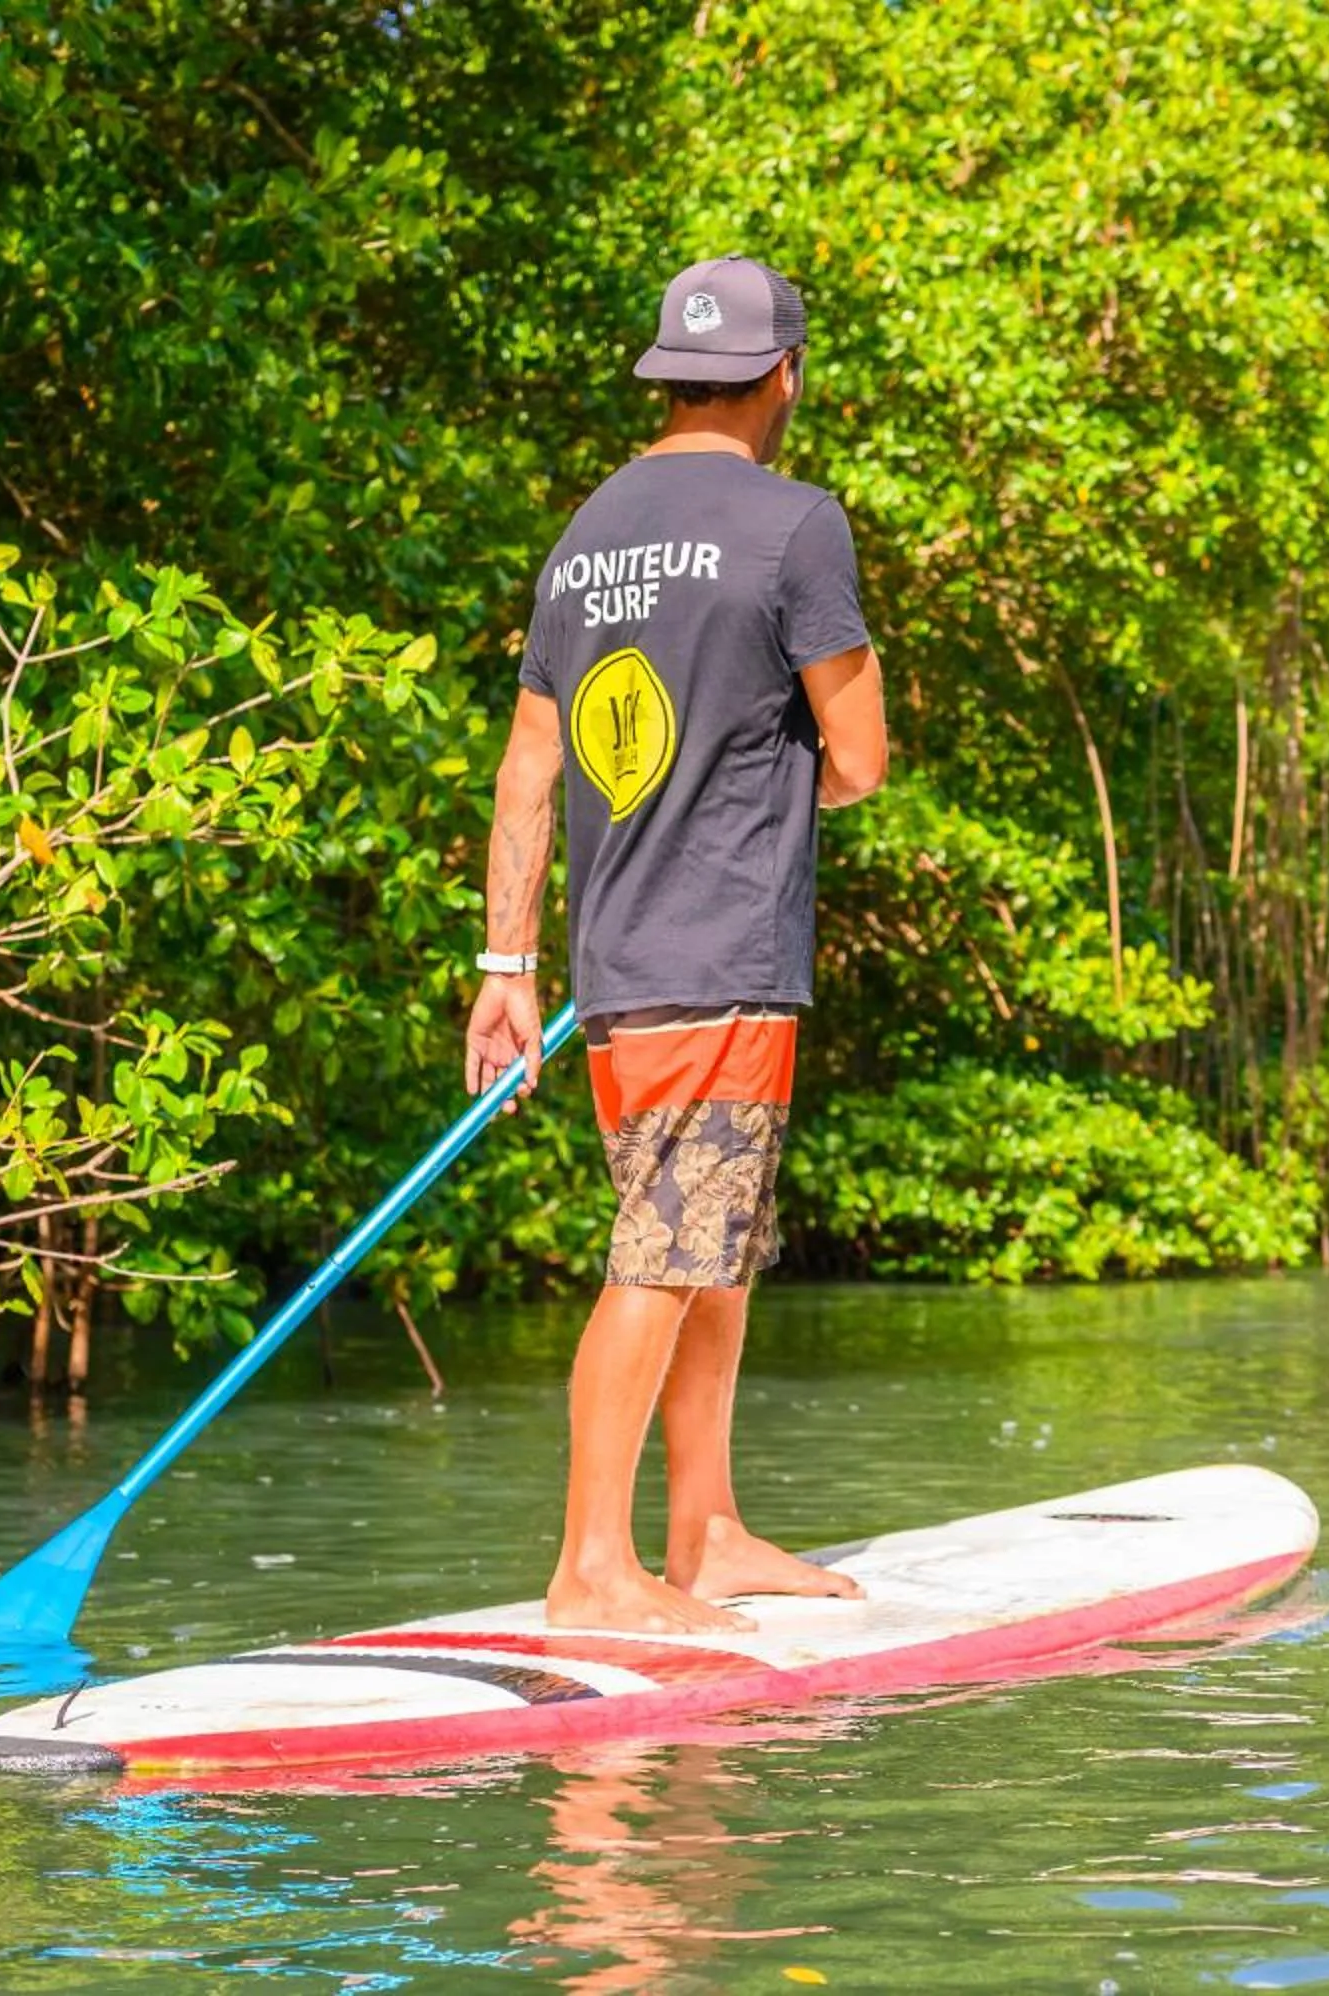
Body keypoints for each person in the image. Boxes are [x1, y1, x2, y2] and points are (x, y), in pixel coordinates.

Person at [464, 256, 887, 1634]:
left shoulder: (586, 538)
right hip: (725, 949)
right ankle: (594, 1568)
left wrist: (505, 972)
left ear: (666, 377)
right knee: (664, 1248)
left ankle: (703, 1534)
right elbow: (863, 757)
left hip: (613, 964)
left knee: (712, 1242)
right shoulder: (795, 526)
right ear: (786, 376)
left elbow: (530, 768)